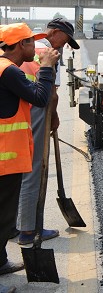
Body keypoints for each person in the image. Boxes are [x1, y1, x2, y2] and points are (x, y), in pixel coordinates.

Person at [0, 23, 59, 279]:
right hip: (5, 157)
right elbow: (40, 97)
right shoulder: (9, 71)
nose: (35, 48)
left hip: (7, 155)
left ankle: (1, 261)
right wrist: (46, 67)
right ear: (20, 44)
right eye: (31, 42)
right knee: (3, 217)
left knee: (5, 217)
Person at [16, 18, 79, 246]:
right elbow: (52, 94)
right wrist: (54, 118)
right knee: (34, 169)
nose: (65, 44)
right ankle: (28, 230)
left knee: (16, 171)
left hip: (17, 113)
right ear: (54, 32)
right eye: (66, 38)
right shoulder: (49, 53)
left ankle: (13, 225)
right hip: (37, 111)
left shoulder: (25, 47)